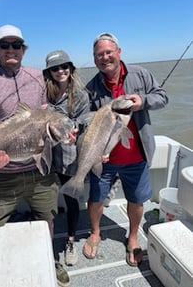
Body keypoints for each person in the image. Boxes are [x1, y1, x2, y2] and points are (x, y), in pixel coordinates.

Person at [0, 24, 72, 287]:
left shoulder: (39, 77)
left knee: (47, 219)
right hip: (3, 175)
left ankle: (48, 259)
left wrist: (67, 131)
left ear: (24, 49)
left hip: (40, 170)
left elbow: (52, 106)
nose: (11, 50)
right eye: (5, 45)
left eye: (16, 45)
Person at [83, 32, 168, 266]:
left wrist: (142, 101)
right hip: (105, 157)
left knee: (137, 199)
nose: (105, 57)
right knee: (96, 198)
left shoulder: (141, 74)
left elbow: (162, 97)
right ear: (94, 59)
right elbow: (87, 123)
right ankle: (95, 232)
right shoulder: (91, 88)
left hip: (136, 156)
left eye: (109, 52)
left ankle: (132, 237)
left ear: (119, 52)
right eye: (99, 54)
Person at [43, 50, 90, 266]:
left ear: (71, 69)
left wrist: (75, 131)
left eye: (65, 66)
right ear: (49, 72)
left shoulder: (80, 95)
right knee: (46, 202)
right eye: (55, 68)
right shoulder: (44, 93)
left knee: (71, 202)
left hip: (71, 159)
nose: (61, 71)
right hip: (47, 157)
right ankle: (45, 243)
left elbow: (84, 122)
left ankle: (70, 240)